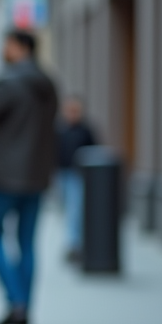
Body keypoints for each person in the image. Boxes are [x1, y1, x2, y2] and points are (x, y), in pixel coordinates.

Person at [0, 29, 59, 324]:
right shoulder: (48, 86)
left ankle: (15, 302)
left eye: (6, 44)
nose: (2, 50)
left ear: (20, 47)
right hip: (36, 175)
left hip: (4, 175)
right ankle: (25, 307)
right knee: (27, 243)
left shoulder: (10, 82)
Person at [56, 95, 97, 262]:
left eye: (75, 111)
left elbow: (94, 152)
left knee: (75, 209)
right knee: (67, 210)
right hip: (62, 175)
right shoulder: (59, 130)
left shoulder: (85, 131)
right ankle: (72, 242)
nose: (72, 114)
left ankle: (75, 245)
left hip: (77, 176)